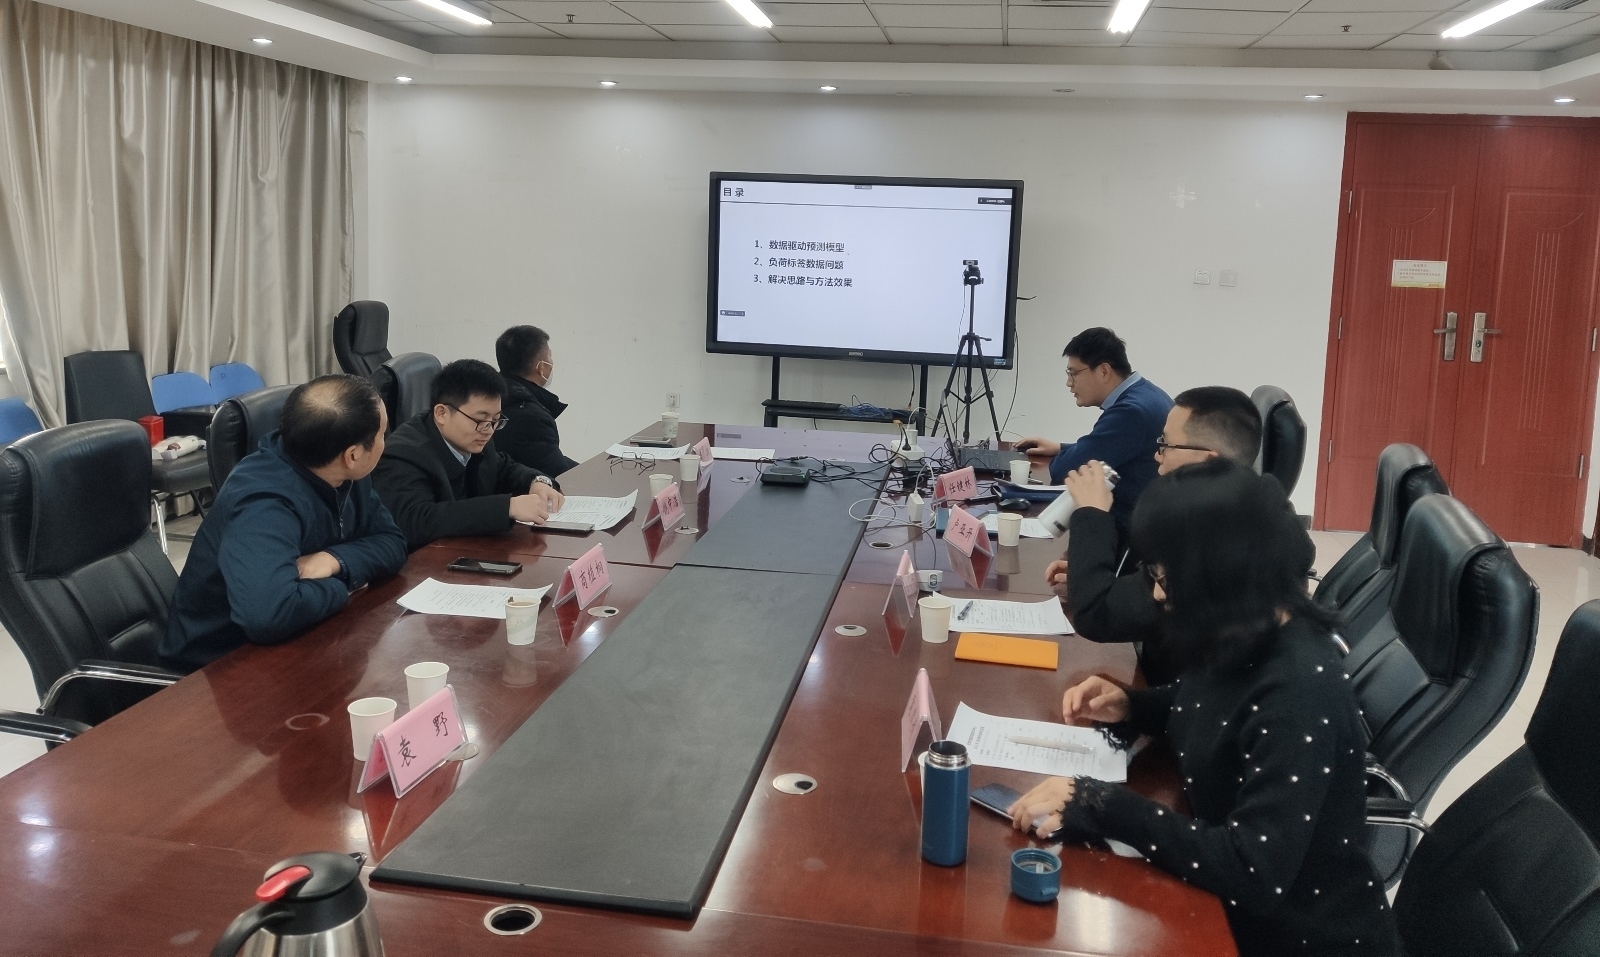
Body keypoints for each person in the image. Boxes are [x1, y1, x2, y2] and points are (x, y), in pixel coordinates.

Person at [1010, 459, 1399, 957]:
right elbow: (1212, 704)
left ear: (1218, 573)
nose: (1156, 592)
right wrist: (1132, 705)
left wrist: (1102, 804)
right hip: (1226, 906)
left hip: (1293, 939)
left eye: (1164, 575)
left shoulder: (1298, 692)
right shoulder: (1246, 629)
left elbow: (1251, 869)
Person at [160, 374, 407, 671]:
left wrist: (333, 561)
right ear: (352, 455)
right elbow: (268, 614)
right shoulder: (263, 500)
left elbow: (392, 542)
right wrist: (344, 584)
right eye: (382, 434)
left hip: (304, 640)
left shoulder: (345, 474)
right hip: (216, 668)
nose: (384, 441)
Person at [1045, 386, 1262, 684]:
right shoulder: (1239, 510)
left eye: (1166, 445)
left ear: (1208, 460)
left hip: (1172, 697)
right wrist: (1087, 572)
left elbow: (1096, 615)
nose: (1157, 456)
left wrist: (1092, 512)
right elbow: (1143, 591)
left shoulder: (1213, 540)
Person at [373, 358, 565, 551]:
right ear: (441, 413)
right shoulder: (402, 455)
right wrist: (507, 508)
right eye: (481, 420)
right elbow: (417, 521)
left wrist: (536, 481)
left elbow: (504, 468)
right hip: (420, 563)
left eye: (496, 420)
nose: (489, 430)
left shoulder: (476, 437)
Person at [1014, 327, 1171, 532]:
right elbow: (1116, 447)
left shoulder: (1130, 412)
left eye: (1074, 373)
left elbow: (1065, 471)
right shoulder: (1147, 394)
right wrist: (1060, 447)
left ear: (1104, 371)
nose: (1069, 383)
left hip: (1129, 531)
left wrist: (1066, 455)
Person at [495, 325, 579, 482]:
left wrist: (586, 469)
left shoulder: (494, 397)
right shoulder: (532, 418)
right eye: (549, 357)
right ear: (541, 367)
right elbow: (560, 477)